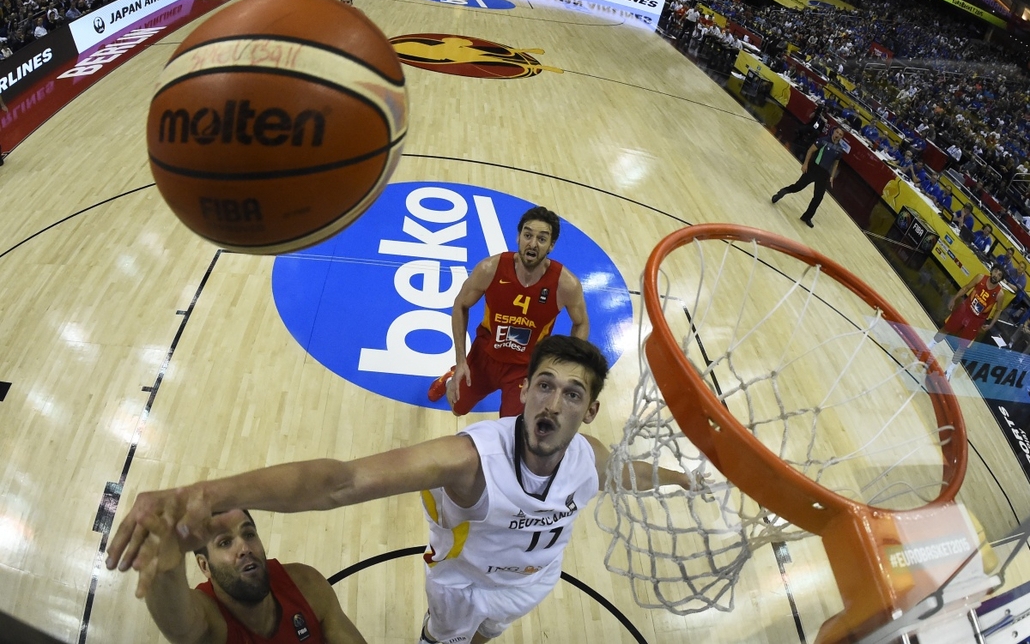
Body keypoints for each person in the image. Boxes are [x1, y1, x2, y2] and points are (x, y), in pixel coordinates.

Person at [106, 336, 706, 644]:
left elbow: (627, 474)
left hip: (530, 586)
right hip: (463, 587)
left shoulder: (589, 457)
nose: (553, 403)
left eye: (571, 394)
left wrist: (682, 478)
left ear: (591, 410)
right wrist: (207, 493)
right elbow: (341, 482)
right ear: (523, 392)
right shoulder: (469, 460)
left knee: (490, 634)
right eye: (543, 386)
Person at [427, 206, 589, 417]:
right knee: (457, 409)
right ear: (518, 237)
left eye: (542, 239)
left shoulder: (566, 285)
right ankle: (450, 376)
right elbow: (460, 304)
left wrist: (570, 364)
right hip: (484, 357)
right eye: (528, 235)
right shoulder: (490, 269)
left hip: (526, 368)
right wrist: (460, 361)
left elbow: (581, 323)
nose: (532, 243)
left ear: (551, 245)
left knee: (510, 428)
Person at [136, 508, 366, 643]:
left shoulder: (306, 584)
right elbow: (177, 624)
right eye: (225, 542)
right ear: (204, 566)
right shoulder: (209, 619)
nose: (245, 547)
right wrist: (161, 564)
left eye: (248, 533)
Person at [927, 265, 1005, 380]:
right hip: (964, 310)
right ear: (992, 270)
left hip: (976, 321)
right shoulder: (980, 277)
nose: (996, 275)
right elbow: (966, 288)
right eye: (996, 272)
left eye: (999, 275)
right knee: (946, 328)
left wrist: (991, 325)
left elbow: (998, 310)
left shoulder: (1000, 294)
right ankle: (928, 346)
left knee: (962, 346)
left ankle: (949, 371)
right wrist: (954, 299)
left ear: (1000, 279)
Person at [771, 127, 846, 228]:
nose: (838, 135)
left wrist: (832, 176)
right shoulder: (823, 140)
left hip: (824, 175)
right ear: (833, 132)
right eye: (837, 132)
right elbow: (810, 150)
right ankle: (781, 193)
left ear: (842, 137)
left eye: (840, 134)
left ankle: (807, 217)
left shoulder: (839, 149)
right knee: (798, 187)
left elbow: (836, 163)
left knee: (818, 197)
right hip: (813, 169)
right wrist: (805, 164)